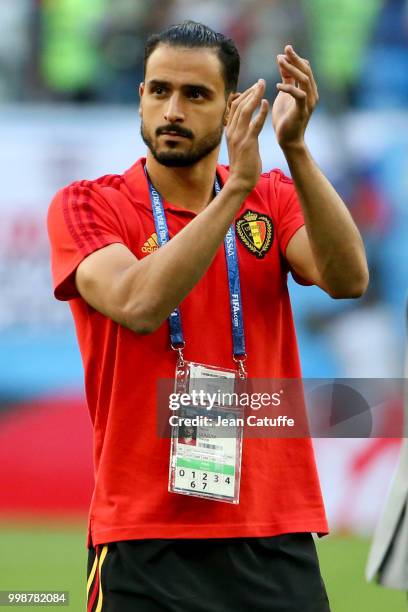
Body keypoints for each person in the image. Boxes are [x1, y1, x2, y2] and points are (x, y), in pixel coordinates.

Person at [47, 20, 368, 612]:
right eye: (158, 90)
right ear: (139, 97)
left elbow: (349, 279)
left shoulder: (270, 196)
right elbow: (139, 306)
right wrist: (231, 193)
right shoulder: (89, 203)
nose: (172, 109)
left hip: (274, 531)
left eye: (195, 95)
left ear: (230, 112)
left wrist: (294, 150)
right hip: (144, 538)